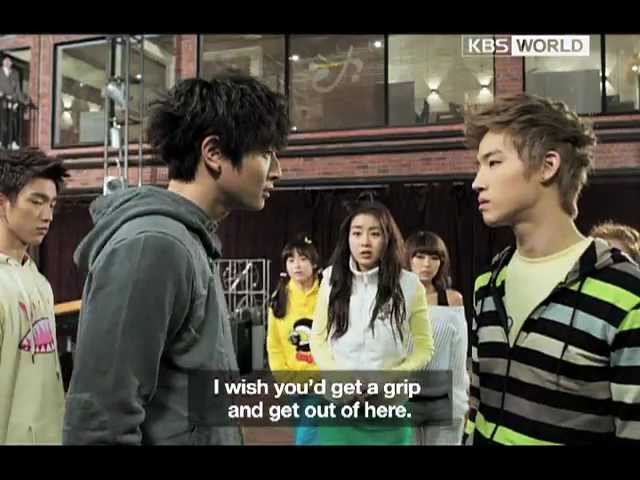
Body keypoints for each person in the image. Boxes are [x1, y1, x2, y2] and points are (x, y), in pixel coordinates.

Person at [63, 73, 289, 445]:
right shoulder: (154, 244)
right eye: (265, 153)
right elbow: (101, 420)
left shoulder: (188, 240)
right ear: (213, 153)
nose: (277, 170)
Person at [464, 93, 640, 445]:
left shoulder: (626, 295)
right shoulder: (488, 283)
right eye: (479, 165)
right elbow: (476, 406)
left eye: (493, 163)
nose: (477, 182)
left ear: (548, 166)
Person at [310, 195, 434, 445]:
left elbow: (424, 348)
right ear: (348, 238)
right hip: (339, 409)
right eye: (357, 233)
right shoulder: (331, 279)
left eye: (374, 233)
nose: (365, 242)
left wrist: (389, 378)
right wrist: (342, 379)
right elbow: (318, 340)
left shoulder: (410, 285)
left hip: (389, 411)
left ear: (387, 238)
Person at [0, 148, 68, 444]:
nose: (47, 216)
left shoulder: (40, 283)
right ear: (3, 204)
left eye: (52, 204)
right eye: (36, 202)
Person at [405, 230, 468, 445]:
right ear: (408, 259)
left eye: (434, 257)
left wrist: (460, 402)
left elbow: (459, 355)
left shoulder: (452, 300)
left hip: (443, 402)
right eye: (420, 256)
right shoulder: (393, 300)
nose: (427, 264)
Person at [266, 233, 322, 445]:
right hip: (292, 383)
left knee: (306, 438)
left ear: (314, 263)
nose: (297, 265)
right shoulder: (279, 298)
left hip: (322, 383)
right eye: (291, 260)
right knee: (310, 433)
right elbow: (274, 343)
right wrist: (284, 377)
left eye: (303, 259)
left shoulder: (328, 295)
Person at [0, 54, 27, 150]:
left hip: (12, 100)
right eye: (6, 61)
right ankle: (2, 142)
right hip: (2, 100)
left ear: (11, 63)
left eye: (9, 61)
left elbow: (18, 89)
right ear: (3, 62)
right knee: (3, 122)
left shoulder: (15, 73)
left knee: (13, 121)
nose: (7, 63)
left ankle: (13, 142)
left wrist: (22, 101)